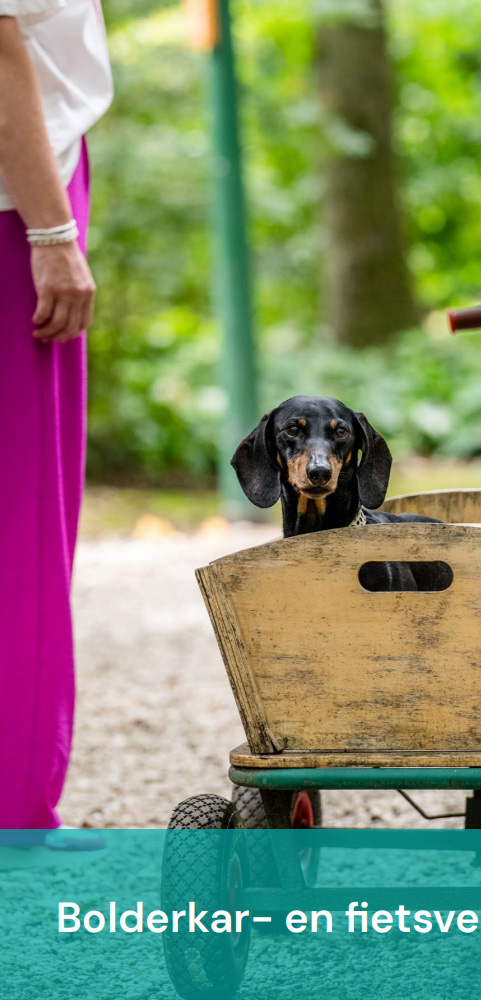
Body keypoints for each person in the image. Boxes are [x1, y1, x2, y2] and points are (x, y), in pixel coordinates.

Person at [0, 0, 112, 842]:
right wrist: (50, 228)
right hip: (16, 204)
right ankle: (14, 806)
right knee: (24, 520)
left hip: (34, 179)